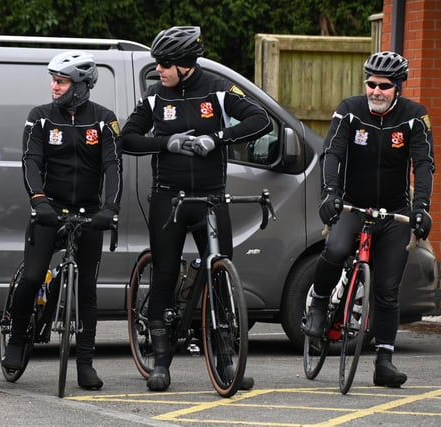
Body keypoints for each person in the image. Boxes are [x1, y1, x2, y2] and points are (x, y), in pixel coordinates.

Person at [121, 26, 273, 392]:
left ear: (186, 64)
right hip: (169, 199)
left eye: (165, 64)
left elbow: (261, 120)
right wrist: (166, 142)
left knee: (220, 276)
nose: (159, 70)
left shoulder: (218, 90)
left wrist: (217, 137)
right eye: (158, 63)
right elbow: (127, 138)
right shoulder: (156, 98)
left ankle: (224, 360)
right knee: (165, 273)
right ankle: (160, 361)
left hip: (211, 197)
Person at [303, 51, 434, 388]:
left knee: (388, 292)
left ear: (398, 88)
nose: (375, 91)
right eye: (371, 83)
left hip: (394, 213)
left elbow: (423, 164)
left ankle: (384, 363)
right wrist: (330, 193)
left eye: (384, 86)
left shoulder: (414, 117)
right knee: (334, 250)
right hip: (353, 206)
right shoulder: (349, 110)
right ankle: (319, 303)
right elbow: (332, 152)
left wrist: (421, 208)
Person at [1, 51, 122, 390]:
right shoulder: (40, 117)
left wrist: (109, 209)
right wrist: (38, 201)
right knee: (33, 277)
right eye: (53, 80)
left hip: (87, 214)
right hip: (49, 210)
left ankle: (85, 363)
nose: (54, 86)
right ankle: (17, 339)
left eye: (61, 81)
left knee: (87, 290)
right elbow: (30, 161)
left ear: (81, 86)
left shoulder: (104, 120)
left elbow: (113, 167)